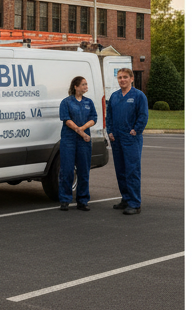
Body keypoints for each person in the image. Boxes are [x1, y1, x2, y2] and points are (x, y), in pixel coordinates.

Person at [105, 67, 149, 214]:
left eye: (125, 77)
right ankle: (126, 198)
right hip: (116, 138)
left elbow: (143, 115)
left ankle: (135, 203)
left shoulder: (138, 96)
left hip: (131, 139)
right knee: (121, 171)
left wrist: (136, 130)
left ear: (131, 79)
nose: (122, 80)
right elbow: (109, 116)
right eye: (119, 77)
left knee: (132, 170)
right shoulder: (114, 96)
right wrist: (110, 131)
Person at [58, 75, 97, 211]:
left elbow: (94, 118)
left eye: (86, 84)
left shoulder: (89, 102)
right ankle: (65, 199)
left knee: (84, 170)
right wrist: (81, 132)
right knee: (67, 170)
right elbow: (66, 120)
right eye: (83, 84)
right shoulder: (66, 102)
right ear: (76, 86)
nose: (86, 87)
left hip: (83, 142)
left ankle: (83, 200)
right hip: (69, 140)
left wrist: (82, 129)